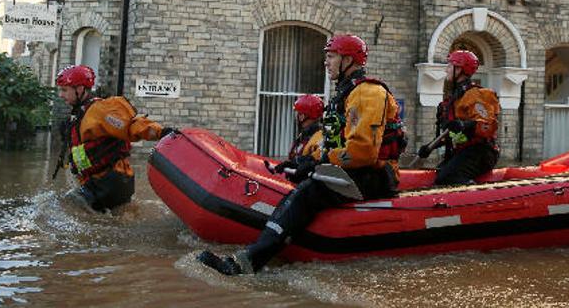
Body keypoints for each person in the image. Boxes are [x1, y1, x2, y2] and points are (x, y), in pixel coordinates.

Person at [199, 34, 405, 275]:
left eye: (331, 56)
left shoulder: (368, 92)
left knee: (309, 192)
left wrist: (320, 161)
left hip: (374, 175)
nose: (326, 62)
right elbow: (331, 142)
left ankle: (247, 263)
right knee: (302, 184)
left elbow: (364, 152)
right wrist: (305, 160)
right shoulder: (348, 92)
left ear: (348, 59)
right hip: (354, 172)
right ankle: (259, 248)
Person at [55, 65, 174, 212]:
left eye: (64, 90)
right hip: (102, 182)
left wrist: (161, 132)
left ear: (79, 89)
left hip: (111, 181)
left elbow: (131, 125)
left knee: (66, 204)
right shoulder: (79, 115)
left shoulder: (101, 110)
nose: (61, 95)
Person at [417, 50, 500, 185]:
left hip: (481, 152)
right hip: (463, 151)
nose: (447, 70)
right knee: (439, 174)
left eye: (450, 66)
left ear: (460, 69)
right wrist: (430, 147)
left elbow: (487, 126)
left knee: (446, 178)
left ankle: (473, 196)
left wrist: (464, 125)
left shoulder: (476, 94)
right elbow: (451, 132)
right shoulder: (454, 99)